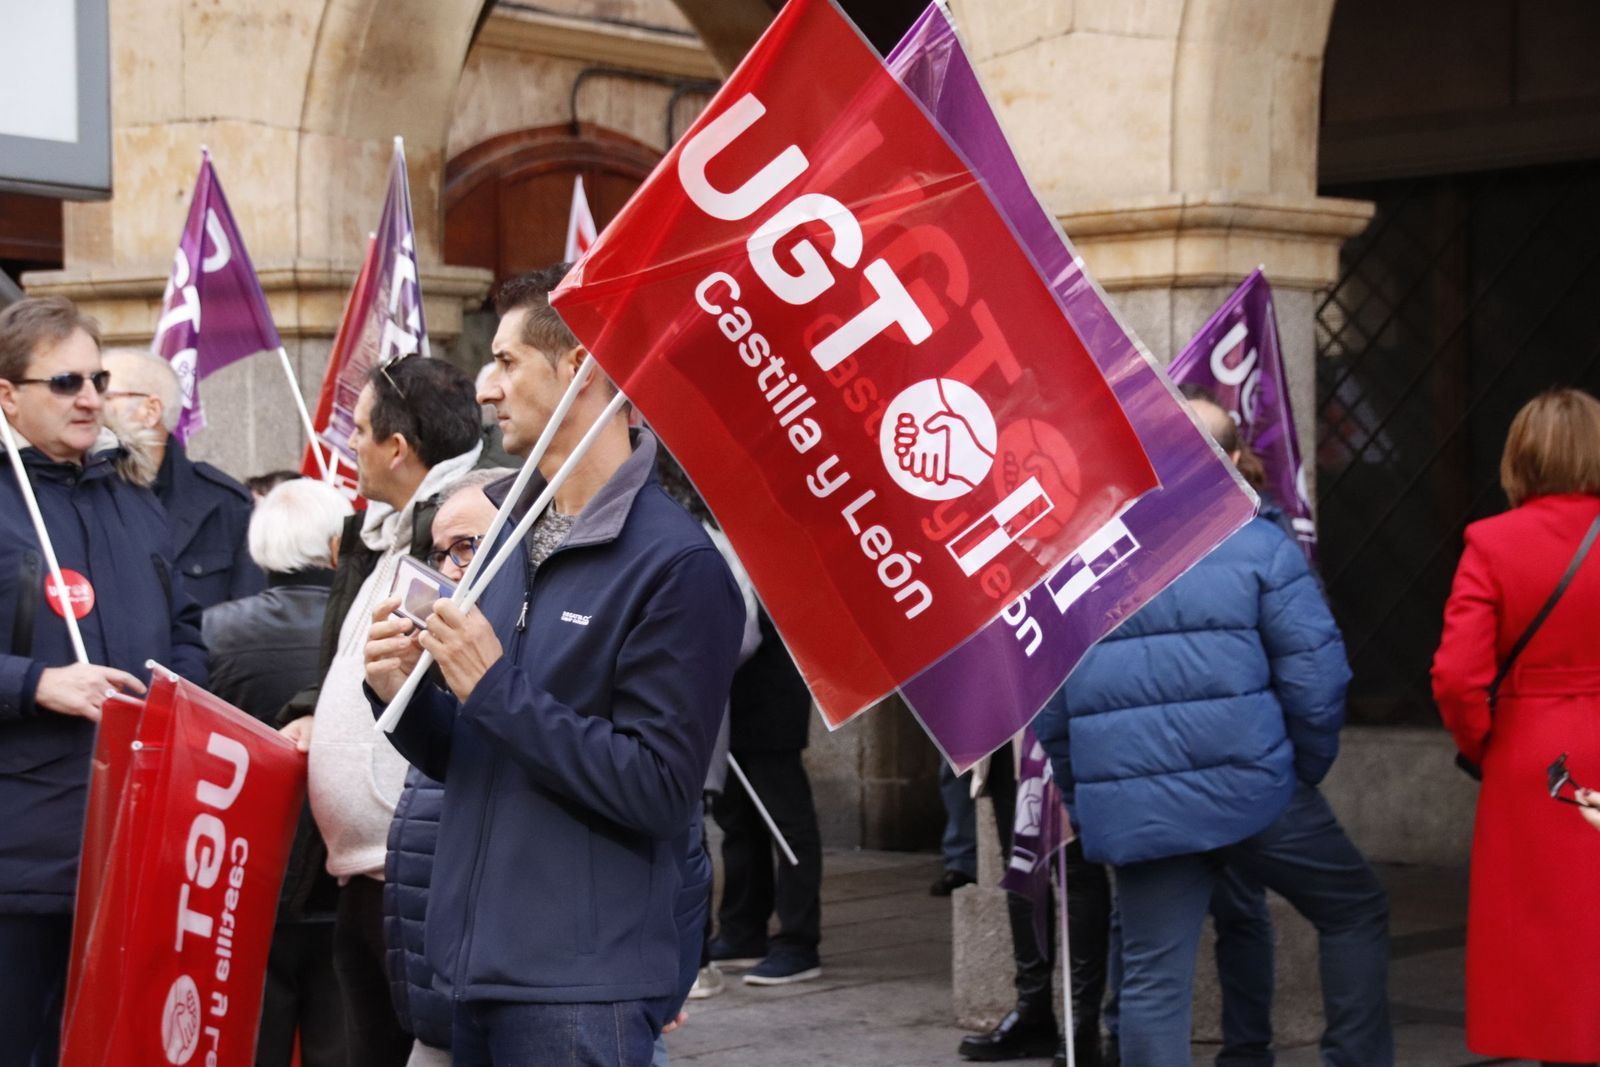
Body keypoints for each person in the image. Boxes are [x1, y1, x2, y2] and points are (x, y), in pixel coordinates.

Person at [363, 264, 744, 1067]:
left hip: (578, 992)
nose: (485, 386)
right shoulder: (506, 532)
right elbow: (478, 755)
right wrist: (402, 697)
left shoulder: (676, 566)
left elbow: (658, 786)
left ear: (578, 366)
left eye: (506, 362)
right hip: (473, 973)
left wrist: (493, 685)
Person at [1034, 394, 1392, 1067]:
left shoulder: (1079, 558)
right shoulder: (1260, 543)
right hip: (1255, 789)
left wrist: (1094, 799)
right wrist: (1298, 769)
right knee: (1354, 909)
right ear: (1232, 463)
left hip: (1140, 806)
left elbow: (1050, 710)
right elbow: (1319, 678)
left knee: (1152, 981)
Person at [0, 296, 208, 1066]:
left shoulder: (133, 499)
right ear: (7, 396)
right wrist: (36, 682)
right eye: (64, 382)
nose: (89, 397)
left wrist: (178, 696)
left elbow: (185, 628)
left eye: (95, 377)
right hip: (21, 860)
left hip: (134, 843)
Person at [281, 354, 483, 1067]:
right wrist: (314, 710)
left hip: (416, 866)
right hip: (362, 875)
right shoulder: (380, 533)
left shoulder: (460, 530)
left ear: (398, 447)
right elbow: (349, 660)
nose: (348, 447)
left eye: (359, 430)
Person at [1433, 388, 1600, 1066]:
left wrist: (1483, 743)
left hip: (1537, 759)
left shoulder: (1494, 541)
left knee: (1550, 936)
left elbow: (1455, 676)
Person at [201, 477, 354, 1067]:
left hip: (245, 868)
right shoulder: (368, 630)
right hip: (341, 869)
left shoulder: (212, 632)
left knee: (249, 1041)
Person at [383, 467, 511, 1067]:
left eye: (469, 547)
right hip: (443, 982)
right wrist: (390, 690)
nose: (451, 573)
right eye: (440, 554)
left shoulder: (550, 641)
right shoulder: (445, 652)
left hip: (534, 988)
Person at [709, 603, 825, 985]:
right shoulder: (721, 543)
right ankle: (742, 931)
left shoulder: (760, 552)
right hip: (732, 701)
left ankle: (798, 941)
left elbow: (743, 637)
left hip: (770, 696)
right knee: (738, 821)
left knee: (787, 825)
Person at [100, 348, 265, 608]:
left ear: (150, 411)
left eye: (103, 392)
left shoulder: (229, 507)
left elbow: (245, 627)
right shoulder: (73, 493)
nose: (87, 403)